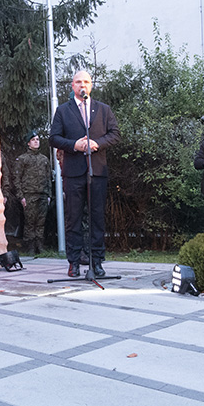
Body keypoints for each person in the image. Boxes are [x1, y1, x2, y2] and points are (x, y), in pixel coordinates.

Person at [50, 70, 120, 277]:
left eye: (86, 82)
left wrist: (97, 143)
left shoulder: (103, 110)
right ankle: (73, 262)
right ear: (72, 86)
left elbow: (115, 134)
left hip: (97, 171)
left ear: (91, 86)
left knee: (97, 218)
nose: (83, 85)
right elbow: (54, 138)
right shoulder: (63, 111)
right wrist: (74, 145)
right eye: (79, 82)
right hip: (73, 173)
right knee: (74, 218)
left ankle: (97, 261)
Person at [15, 130, 51, 256]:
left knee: (41, 221)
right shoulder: (23, 159)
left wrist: (49, 195)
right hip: (29, 194)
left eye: (37, 140)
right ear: (28, 143)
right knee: (30, 222)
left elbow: (48, 178)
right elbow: (17, 179)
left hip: (42, 194)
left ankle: (40, 246)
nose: (36, 142)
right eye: (33, 140)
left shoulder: (44, 159)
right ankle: (30, 247)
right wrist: (21, 196)